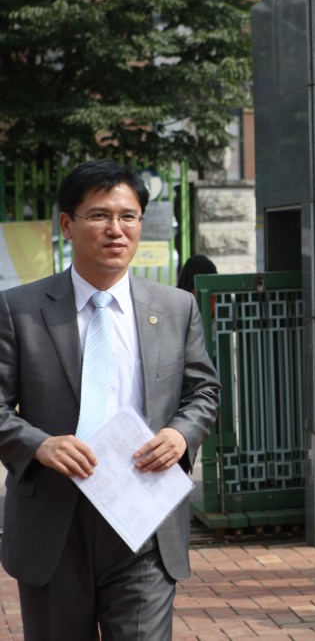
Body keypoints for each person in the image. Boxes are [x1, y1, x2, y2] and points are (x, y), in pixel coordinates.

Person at [0, 158, 220, 640]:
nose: (116, 229)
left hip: (143, 522)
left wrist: (181, 436)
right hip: (53, 522)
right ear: (67, 224)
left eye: (129, 216)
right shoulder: (20, 309)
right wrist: (39, 444)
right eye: (99, 215)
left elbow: (203, 390)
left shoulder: (176, 307)